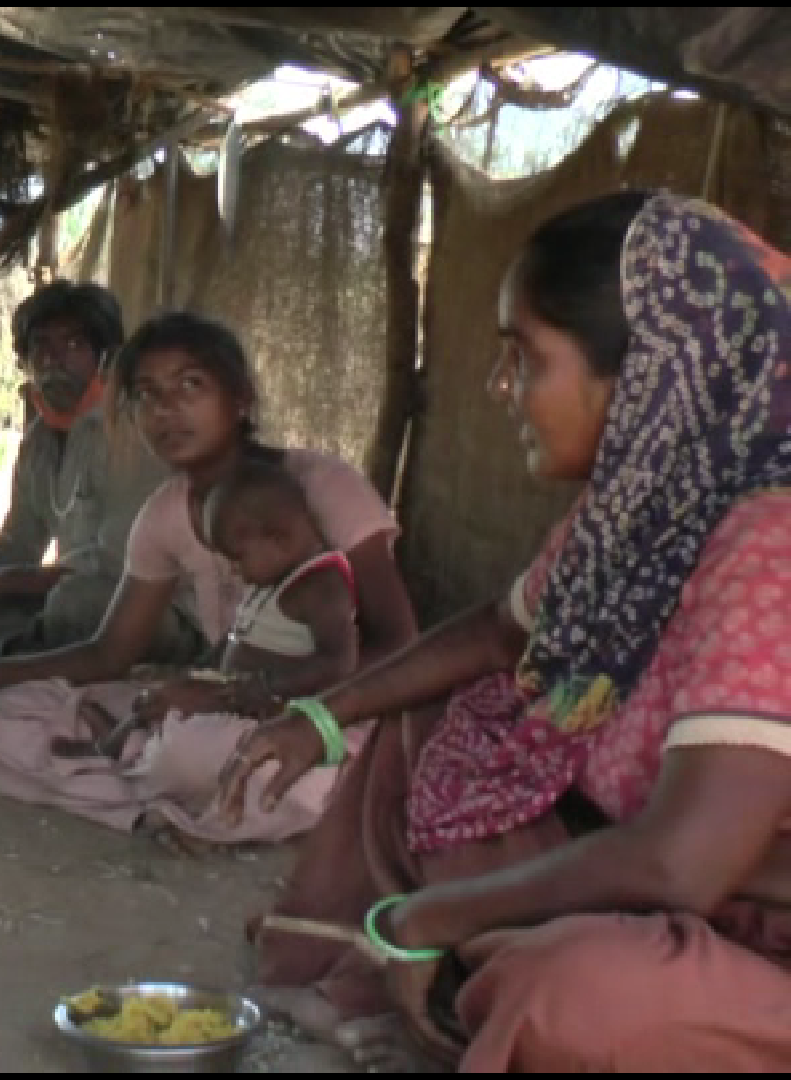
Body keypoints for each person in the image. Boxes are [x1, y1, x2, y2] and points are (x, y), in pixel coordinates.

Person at [222, 191, 791, 1071]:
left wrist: (432, 915)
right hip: (655, 878)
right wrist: (322, 718)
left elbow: (682, 866)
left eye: (524, 358)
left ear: (645, 373)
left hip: (752, 942)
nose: (502, 389)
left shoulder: (772, 538)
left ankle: (463, 986)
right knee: (436, 720)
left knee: (580, 1001)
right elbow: (497, 633)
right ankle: (399, 979)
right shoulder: (645, 513)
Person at [0, 311, 417, 844]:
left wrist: (242, 698)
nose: (167, 410)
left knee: (196, 755)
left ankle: (164, 785)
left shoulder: (321, 486)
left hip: (321, 714)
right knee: (1, 719)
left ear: (240, 400)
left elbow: (399, 643)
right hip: (211, 708)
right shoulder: (163, 514)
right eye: (146, 394)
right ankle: (166, 806)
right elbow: (109, 654)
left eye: (191, 385)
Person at [0, 454, 363, 841]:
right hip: (231, 701)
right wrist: (194, 675)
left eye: (238, 558)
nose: (234, 571)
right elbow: (237, 642)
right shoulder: (273, 581)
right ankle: (122, 744)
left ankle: (140, 760)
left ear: (278, 540)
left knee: (186, 748)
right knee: (154, 701)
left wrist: (251, 688)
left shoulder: (322, 586)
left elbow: (339, 663)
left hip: (273, 717)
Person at [0, 281, 192, 660]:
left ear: (105, 357)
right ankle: (31, 652)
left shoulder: (130, 434)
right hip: (70, 591)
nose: (53, 360)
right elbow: (19, 542)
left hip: (154, 605)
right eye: (41, 346)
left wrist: (5, 582)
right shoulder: (38, 441)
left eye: (73, 345)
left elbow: (120, 564)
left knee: (77, 604)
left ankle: (29, 657)